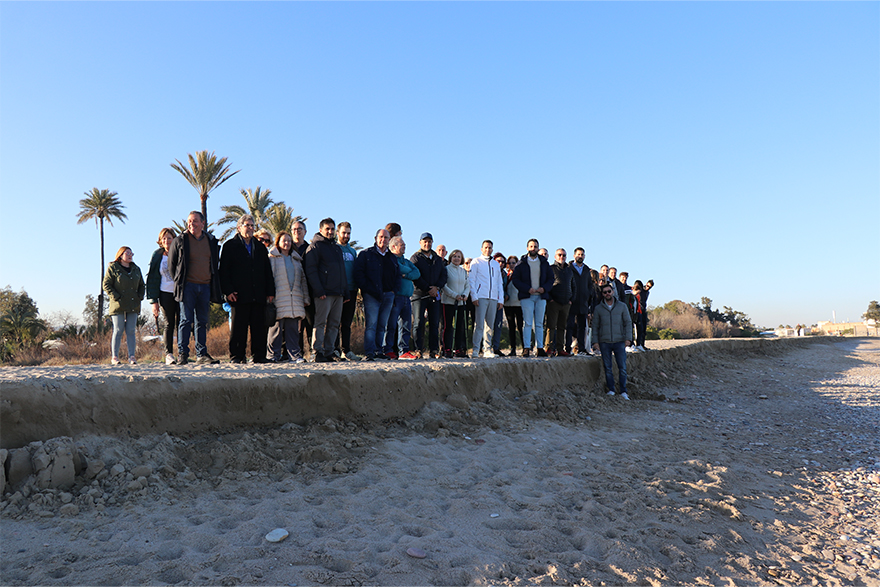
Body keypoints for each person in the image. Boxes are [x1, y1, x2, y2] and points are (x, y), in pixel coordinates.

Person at [220, 214, 275, 364]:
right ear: (239, 227)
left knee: (259, 328)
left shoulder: (259, 247)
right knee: (239, 328)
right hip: (238, 295)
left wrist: (270, 292)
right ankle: (237, 356)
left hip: (258, 294)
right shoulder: (230, 246)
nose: (250, 228)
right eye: (247, 225)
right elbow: (224, 271)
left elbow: (267, 271)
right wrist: (228, 291)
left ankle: (259, 356)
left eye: (252, 225)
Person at [168, 211, 222, 365]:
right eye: (190, 221)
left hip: (205, 286)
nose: (192, 224)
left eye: (195, 221)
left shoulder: (211, 240)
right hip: (188, 287)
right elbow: (172, 266)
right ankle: (183, 354)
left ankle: (201, 354)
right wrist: (180, 282)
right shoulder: (180, 240)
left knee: (202, 321)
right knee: (185, 320)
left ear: (203, 223)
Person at [304, 218, 348, 363]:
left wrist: (345, 291)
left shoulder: (336, 247)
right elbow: (311, 271)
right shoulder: (315, 246)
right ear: (321, 230)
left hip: (338, 293)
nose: (330, 231)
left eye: (332, 229)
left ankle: (329, 351)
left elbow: (342, 271)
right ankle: (317, 352)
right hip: (324, 293)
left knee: (334, 324)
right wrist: (319, 290)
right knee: (320, 323)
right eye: (327, 229)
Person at [355, 228, 400, 360]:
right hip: (371, 295)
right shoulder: (366, 254)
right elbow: (359, 274)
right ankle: (369, 352)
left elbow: (397, 276)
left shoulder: (391, 257)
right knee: (371, 324)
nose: (383, 240)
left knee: (382, 325)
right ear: (375, 238)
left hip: (388, 295)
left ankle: (378, 351)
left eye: (386, 238)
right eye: (381, 237)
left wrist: (394, 291)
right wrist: (367, 289)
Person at [267, 231, 309, 363]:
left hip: (295, 299)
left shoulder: (297, 260)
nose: (287, 243)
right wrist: (269, 296)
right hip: (278, 298)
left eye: (289, 241)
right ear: (278, 242)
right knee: (276, 330)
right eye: (284, 240)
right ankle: (273, 355)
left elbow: (303, 280)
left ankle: (295, 356)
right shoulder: (272, 258)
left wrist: (305, 298)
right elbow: (268, 278)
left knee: (293, 330)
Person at [511, 238, 554, 357]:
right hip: (527, 296)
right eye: (531, 246)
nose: (533, 248)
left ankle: (540, 348)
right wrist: (526, 288)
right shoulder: (521, 263)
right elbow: (516, 279)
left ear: (538, 249)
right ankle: (526, 348)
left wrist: (544, 288)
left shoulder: (544, 262)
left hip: (541, 296)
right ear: (527, 248)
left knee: (539, 323)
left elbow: (551, 279)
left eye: (535, 247)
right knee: (528, 323)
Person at [103, 246, 145, 365]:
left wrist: (140, 296)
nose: (130, 255)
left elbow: (142, 285)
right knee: (118, 329)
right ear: (120, 255)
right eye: (127, 253)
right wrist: (116, 296)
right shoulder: (113, 268)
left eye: (132, 253)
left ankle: (132, 356)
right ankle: (115, 357)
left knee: (131, 330)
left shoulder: (136, 269)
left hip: (133, 304)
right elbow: (106, 284)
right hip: (118, 305)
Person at [591, 283, 633, 400]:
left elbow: (628, 323)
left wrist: (628, 338)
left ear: (613, 291)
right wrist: (595, 342)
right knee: (608, 368)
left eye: (609, 291)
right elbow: (595, 326)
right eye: (605, 292)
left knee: (622, 367)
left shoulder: (622, 306)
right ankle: (611, 390)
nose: (607, 294)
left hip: (619, 341)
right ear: (602, 294)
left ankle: (623, 391)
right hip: (604, 342)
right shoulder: (598, 308)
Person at [410, 232, 447, 359]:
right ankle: (418, 349)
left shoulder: (437, 258)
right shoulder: (415, 258)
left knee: (434, 323)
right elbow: (415, 276)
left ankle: (433, 350)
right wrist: (427, 288)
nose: (427, 244)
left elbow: (444, 275)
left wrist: (437, 287)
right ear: (420, 243)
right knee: (418, 323)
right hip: (419, 295)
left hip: (434, 295)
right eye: (424, 241)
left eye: (429, 241)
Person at [146, 228, 180, 365]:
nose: (167, 241)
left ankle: (183, 352)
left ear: (174, 239)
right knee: (169, 323)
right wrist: (153, 301)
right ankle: (169, 354)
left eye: (169, 238)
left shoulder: (180, 253)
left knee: (182, 322)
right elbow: (152, 278)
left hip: (180, 292)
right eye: (164, 238)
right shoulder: (157, 255)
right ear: (160, 241)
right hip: (165, 293)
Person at [468, 240, 504, 359]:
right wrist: (474, 296)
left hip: (493, 298)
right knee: (479, 325)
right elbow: (471, 280)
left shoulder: (495, 264)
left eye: (490, 248)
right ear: (481, 249)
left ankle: (487, 349)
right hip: (481, 296)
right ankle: (476, 349)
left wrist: (500, 299)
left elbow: (499, 282)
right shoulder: (476, 262)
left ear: (492, 249)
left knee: (490, 325)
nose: (488, 250)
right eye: (486, 247)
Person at [386, 237, 420, 360]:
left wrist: (405, 275)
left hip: (407, 297)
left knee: (406, 326)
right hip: (396, 297)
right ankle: (388, 350)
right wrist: (406, 272)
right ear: (394, 246)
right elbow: (398, 269)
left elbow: (417, 273)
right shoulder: (391, 259)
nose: (404, 246)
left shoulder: (406, 261)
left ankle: (403, 351)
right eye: (402, 244)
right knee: (391, 325)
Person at [336, 221, 359, 361]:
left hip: (351, 290)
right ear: (337, 233)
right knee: (335, 322)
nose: (346, 235)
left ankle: (347, 350)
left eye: (348, 233)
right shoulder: (334, 249)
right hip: (338, 290)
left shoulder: (353, 251)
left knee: (346, 322)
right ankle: (335, 349)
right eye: (344, 233)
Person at [545, 249, 576, 357]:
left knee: (562, 327)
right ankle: (549, 348)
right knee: (551, 326)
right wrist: (550, 299)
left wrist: (571, 299)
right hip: (554, 301)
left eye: (564, 255)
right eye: (559, 255)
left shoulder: (569, 270)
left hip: (566, 303)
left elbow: (573, 286)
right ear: (555, 256)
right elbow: (546, 284)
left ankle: (560, 348)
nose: (561, 257)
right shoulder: (550, 269)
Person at [441, 249, 470, 358]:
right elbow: (444, 285)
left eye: (458, 256)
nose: (456, 258)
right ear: (450, 258)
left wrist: (465, 295)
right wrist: (455, 295)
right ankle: (447, 349)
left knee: (460, 326)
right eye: (454, 256)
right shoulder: (446, 269)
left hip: (461, 302)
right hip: (448, 301)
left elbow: (467, 285)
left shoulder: (463, 271)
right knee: (448, 326)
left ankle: (459, 349)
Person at [291, 220, 314, 357]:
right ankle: (297, 352)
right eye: (294, 229)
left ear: (305, 232)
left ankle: (312, 352)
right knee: (295, 326)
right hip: (292, 293)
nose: (297, 231)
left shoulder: (311, 249)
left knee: (311, 323)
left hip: (309, 291)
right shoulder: (287, 248)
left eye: (299, 229)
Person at [565, 247, 593, 356]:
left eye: (582, 254)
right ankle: (568, 348)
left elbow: (590, 285)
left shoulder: (586, 269)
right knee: (570, 326)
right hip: (572, 302)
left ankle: (582, 349)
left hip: (583, 302)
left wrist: (588, 295)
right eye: (578, 254)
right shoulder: (569, 268)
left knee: (583, 327)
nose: (580, 256)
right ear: (574, 256)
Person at [503, 255, 523, 357]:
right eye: (509, 263)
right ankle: (513, 348)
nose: (511, 265)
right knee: (511, 326)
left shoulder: (520, 275)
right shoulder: (506, 275)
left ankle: (525, 347)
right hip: (508, 304)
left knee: (520, 326)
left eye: (513, 263)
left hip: (519, 303)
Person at [490, 253, 508, 355]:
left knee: (498, 324)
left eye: (502, 262)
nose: (500, 263)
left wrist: (505, 295)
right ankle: (484, 347)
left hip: (500, 301)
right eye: (498, 261)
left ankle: (496, 347)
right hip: (489, 299)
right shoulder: (490, 271)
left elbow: (504, 288)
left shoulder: (504, 274)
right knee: (488, 325)